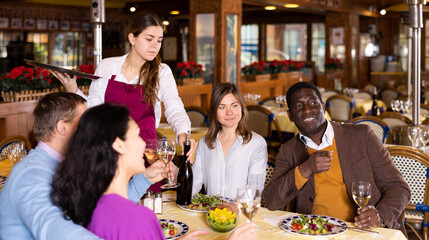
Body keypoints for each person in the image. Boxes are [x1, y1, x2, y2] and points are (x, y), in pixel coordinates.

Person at [51, 103, 257, 240]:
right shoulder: (138, 218)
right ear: (119, 145)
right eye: (137, 136)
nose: (144, 144)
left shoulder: (90, 204)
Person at [51, 14, 195, 192]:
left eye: (159, 40)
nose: (155, 46)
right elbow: (94, 111)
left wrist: (183, 133)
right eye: (149, 39)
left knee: (146, 206)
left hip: (145, 155)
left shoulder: (162, 72)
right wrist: (73, 89)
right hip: (109, 155)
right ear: (132, 38)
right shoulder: (107, 67)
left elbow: (174, 106)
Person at [0, 92, 170, 240]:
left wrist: (145, 178)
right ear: (62, 127)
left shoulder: (70, 165)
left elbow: (108, 209)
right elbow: (58, 233)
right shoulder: (31, 174)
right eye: (83, 123)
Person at [262, 82, 411, 235]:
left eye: (313, 103)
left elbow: (399, 187)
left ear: (323, 106)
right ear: (290, 116)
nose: (307, 110)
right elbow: (271, 201)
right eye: (298, 106)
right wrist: (306, 168)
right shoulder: (289, 150)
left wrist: (379, 216)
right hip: (315, 232)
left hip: (361, 231)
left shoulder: (362, 135)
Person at [192, 83, 268, 199]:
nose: (229, 112)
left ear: (241, 108)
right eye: (222, 107)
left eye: (234, 106)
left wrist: (233, 208)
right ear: (214, 112)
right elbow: (193, 185)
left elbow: (254, 190)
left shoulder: (257, 143)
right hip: (211, 214)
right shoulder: (204, 143)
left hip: (241, 214)